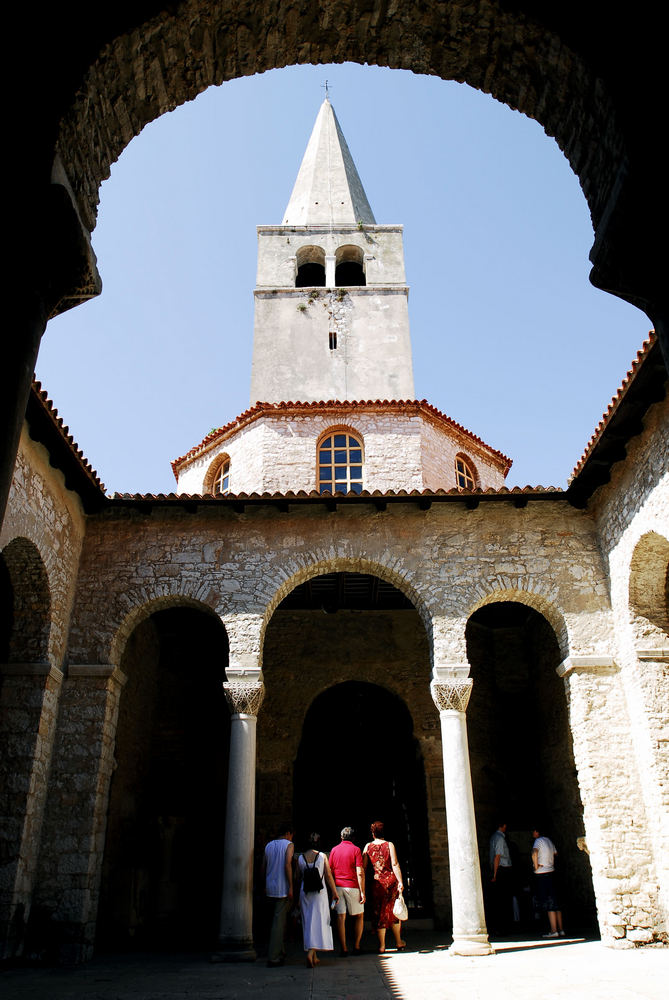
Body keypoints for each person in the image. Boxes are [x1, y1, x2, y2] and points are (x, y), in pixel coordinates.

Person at [362, 820, 406, 953]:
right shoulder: (389, 845)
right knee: (393, 911)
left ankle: (382, 945)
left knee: (379, 912)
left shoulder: (367, 847)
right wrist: (401, 881)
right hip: (391, 882)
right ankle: (398, 941)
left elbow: (364, 867)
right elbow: (395, 864)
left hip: (377, 883)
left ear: (372, 833)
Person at [297, 832, 339, 968]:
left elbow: (298, 877)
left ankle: (314, 956)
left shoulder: (300, 858)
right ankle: (311, 952)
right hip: (319, 893)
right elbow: (328, 875)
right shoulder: (322, 856)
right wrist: (334, 891)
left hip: (305, 892)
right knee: (319, 921)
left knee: (307, 921)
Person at [329, 826, 366, 956]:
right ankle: (356, 946)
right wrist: (362, 891)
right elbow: (359, 871)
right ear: (353, 838)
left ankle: (343, 948)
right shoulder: (356, 850)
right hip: (353, 886)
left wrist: (332, 888)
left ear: (341, 837)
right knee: (359, 915)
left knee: (340, 917)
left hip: (338, 886)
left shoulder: (334, 850)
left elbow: (330, 870)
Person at [262, 822, 294, 967]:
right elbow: (287, 864)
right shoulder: (288, 845)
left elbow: (263, 866)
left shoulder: (269, 845)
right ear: (288, 833)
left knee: (276, 921)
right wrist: (291, 886)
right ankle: (273, 957)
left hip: (270, 887)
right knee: (278, 923)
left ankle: (280, 952)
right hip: (282, 888)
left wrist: (263, 883)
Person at [532, 827, 564, 938]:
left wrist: (536, 866)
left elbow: (534, 853)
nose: (533, 833)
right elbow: (555, 854)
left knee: (549, 902)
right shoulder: (549, 841)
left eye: (534, 831)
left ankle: (553, 930)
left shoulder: (538, 841)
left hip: (542, 873)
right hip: (552, 872)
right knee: (556, 902)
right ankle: (560, 929)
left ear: (537, 831)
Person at [489, 820, 513, 934]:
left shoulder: (494, 837)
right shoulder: (499, 838)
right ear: (502, 826)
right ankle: (504, 928)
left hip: (499, 870)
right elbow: (497, 857)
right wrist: (495, 874)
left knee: (501, 899)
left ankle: (502, 927)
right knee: (504, 899)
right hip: (502, 870)